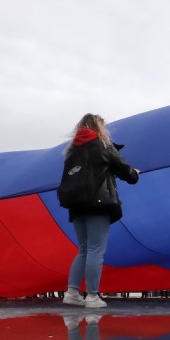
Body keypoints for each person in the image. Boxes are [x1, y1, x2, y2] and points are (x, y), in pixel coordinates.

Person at [60, 113, 140, 310]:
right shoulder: (102, 145)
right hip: (98, 204)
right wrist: (134, 174)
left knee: (85, 249)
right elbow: (124, 170)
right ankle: (92, 295)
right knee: (96, 249)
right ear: (99, 127)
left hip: (76, 206)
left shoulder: (71, 151)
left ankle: (72, 292)